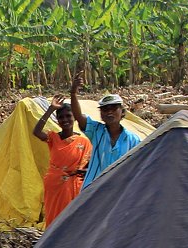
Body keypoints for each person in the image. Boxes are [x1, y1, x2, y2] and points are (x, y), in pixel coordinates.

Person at [70, 74, 140, 189]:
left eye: (113, 108)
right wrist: (73, 93)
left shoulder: (133, 140)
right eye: (105, 109)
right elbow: (78, 116)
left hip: (118, 193)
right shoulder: (96, 131)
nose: (109, 112)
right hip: (94, 191)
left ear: (122, 112)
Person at [32, 96, 92, 227]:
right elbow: (36, 131)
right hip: (54, 185)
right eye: (61, 117)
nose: (65, 120)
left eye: (68, 116)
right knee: (54, 218)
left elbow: (89, 165)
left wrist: (82, 171)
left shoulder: (84, 142)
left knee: (73, 220)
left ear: (74, 117)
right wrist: (51, 109)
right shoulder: (53, 138)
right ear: (57, 120)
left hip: (75, 186)